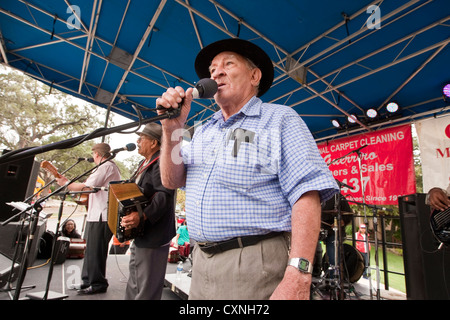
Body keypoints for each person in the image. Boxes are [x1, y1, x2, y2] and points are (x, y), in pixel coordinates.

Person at [156, 38, 339, 300]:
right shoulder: (204, 129)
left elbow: (306, 194)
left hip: (254, 264)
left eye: (228, 64)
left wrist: (299, 275)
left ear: (255, 76)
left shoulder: (280, 119)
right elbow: (172, 180)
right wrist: (172, 127)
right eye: (212, 69)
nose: (216, 72)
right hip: (201, 262)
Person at [56, 143, 120, 294]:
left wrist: (66, 183)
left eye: (93, 155)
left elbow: (88, 187)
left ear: (97, 154)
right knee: (91, 250)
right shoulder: (104, 167)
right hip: (96, 215)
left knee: (96, 251)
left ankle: (98, 284)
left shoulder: (106, 166)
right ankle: (87, 280)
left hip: (102, 216)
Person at [121, 123, 176, 300]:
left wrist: (142, 215)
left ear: (153, 143)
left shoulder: (161, 161)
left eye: (141, 138)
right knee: (136, 281)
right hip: (142, 233)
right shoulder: (144, 163)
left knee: (146, 288)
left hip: (154, 234)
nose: (137, 141)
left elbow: (164, 195)